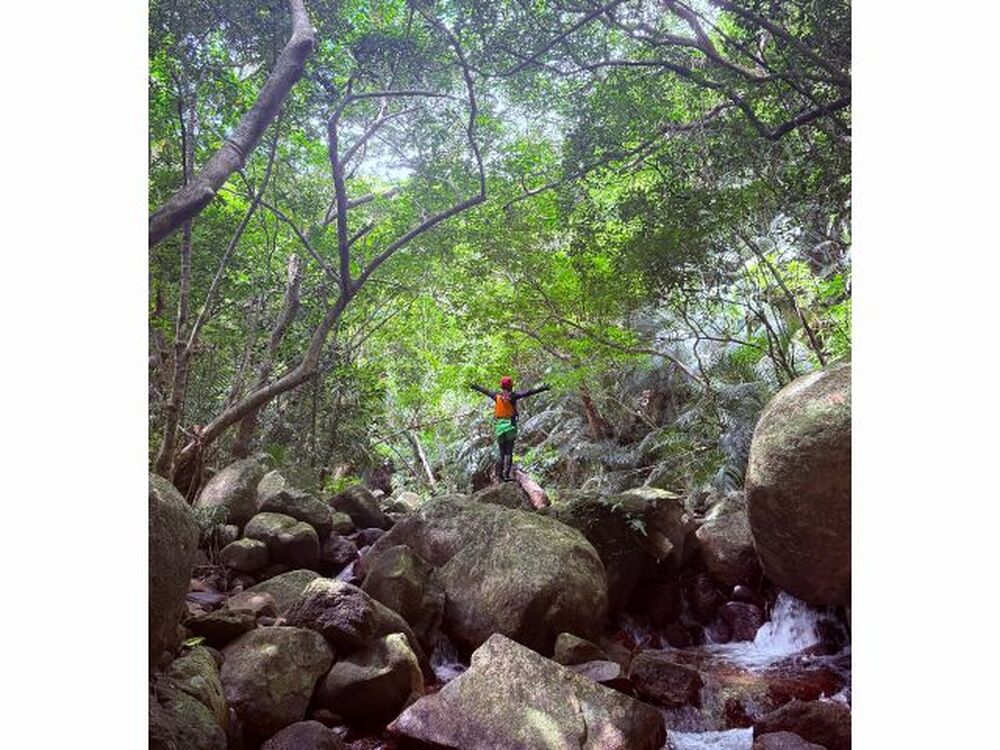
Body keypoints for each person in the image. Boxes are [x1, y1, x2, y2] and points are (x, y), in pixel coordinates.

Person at [468, 376, 551, 482]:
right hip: (510, 426)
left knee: (502, 453)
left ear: (501, 386)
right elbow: (528, 393)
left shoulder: (496, 396)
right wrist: (543, 388)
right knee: (509, 452)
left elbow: (485, 391)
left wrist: (474, 386)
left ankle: (500, 476)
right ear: (511, 386)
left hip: (500, 427)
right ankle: (506, 474)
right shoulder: (513, 396)